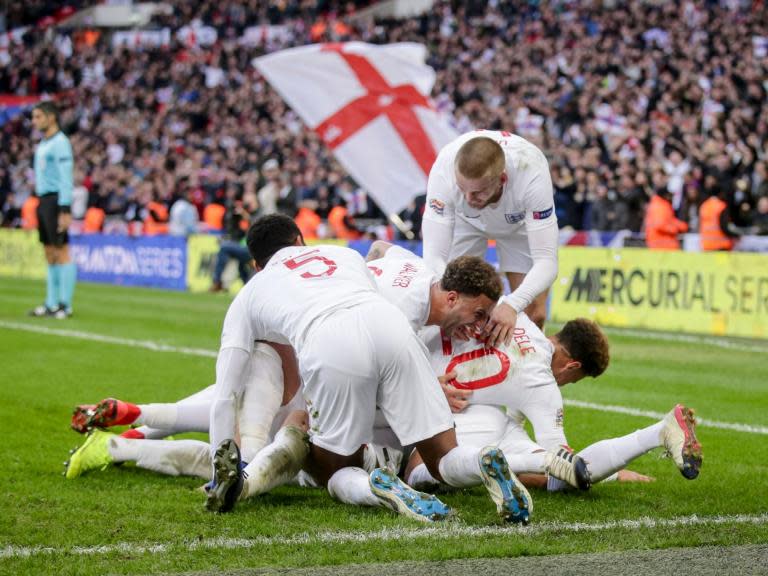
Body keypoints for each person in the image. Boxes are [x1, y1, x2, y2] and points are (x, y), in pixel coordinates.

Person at [207, 214, 531, 523]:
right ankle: (481, 460)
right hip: (391, 324)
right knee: (443, 457)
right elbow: (380, 253)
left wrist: (218, 470)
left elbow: (225, 395)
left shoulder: (250, 292)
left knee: (329, 469)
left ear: (256, 264)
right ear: (300, 240)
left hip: (329, 340)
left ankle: (378, 489)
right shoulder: (341, 254)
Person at [405, 317, 702, 492]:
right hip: (476, 417)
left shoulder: (517, 318)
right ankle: (657, 433)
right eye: (572, 380)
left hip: (473, 413)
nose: (565, 384)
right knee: (562, 473)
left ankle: (497, 463)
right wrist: (609, 473)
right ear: (572, 365)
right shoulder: (542, 384)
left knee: (417, 472)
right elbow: (563, 465)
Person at [422, 131, 559, 342]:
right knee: (450, 311)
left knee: (534, 315)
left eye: (477, 192)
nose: (469, 198)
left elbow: (547, 263)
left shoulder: (532, 173)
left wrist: (511, 305)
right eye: (462, 189)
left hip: (518, 224)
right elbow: (432, 255)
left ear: (501, 179)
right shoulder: (443, 170)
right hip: (464, 221)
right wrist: (454, 303)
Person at [28, 102, 77, 320]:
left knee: (62, 250)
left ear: (51, 117)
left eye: (38, 117)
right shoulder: (44, 143)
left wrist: (65, 208)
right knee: (49, 252)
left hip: (56, 201)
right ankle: (51, 302)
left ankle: (65, 305)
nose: (34, 121)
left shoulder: (60, 143)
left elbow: (66, 177)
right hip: (43, 200)